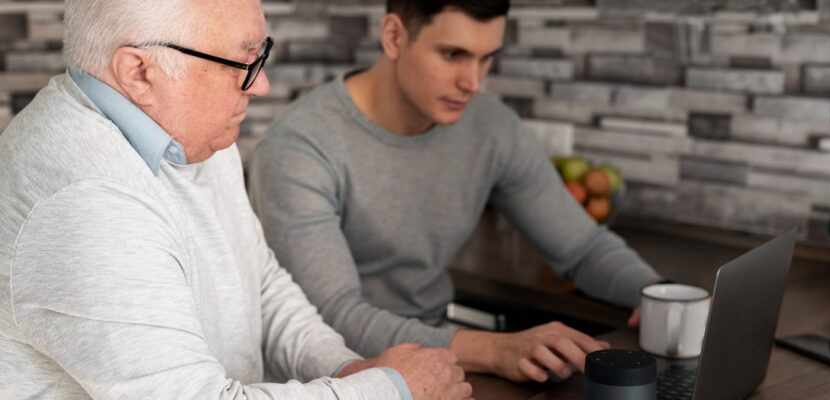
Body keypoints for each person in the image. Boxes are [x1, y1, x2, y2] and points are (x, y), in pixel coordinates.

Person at [0, 1, 473, 399]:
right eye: (242, 61)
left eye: (258, 54)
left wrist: (348, 369)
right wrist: (390, 388)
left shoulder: (192, 132)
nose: (259, 83)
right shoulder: (84, 204)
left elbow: (259, 281)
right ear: (139, 72)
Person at [249, 0, 663, 384]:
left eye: (486, 58)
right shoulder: (299, 147)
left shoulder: (492, 128)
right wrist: (493, 349)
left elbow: (583, 246)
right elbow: (331, 317)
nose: (472, 82)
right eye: (453, 55)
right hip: (338, 379)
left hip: (441, 361)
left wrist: (660, 295)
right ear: (394, 37)